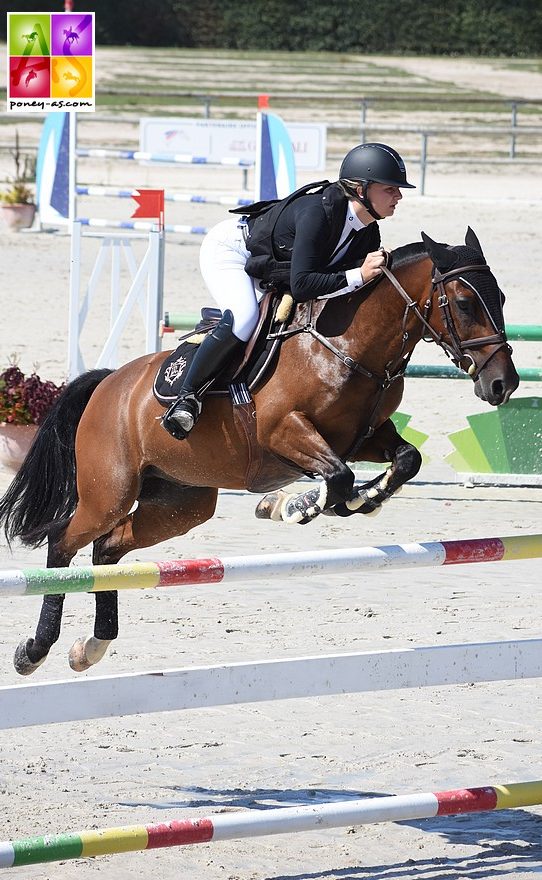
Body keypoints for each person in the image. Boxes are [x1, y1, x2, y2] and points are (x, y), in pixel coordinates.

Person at [161, 142, 415, 440]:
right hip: (234, 252)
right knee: (244, 318)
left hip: (277, 267)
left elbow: (342, 285)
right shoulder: (318, 213)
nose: (398, 195)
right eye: (390, 189)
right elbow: (304, 284)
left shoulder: (368, 231)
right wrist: (358, 274)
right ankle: (187, 399)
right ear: (361, 189)